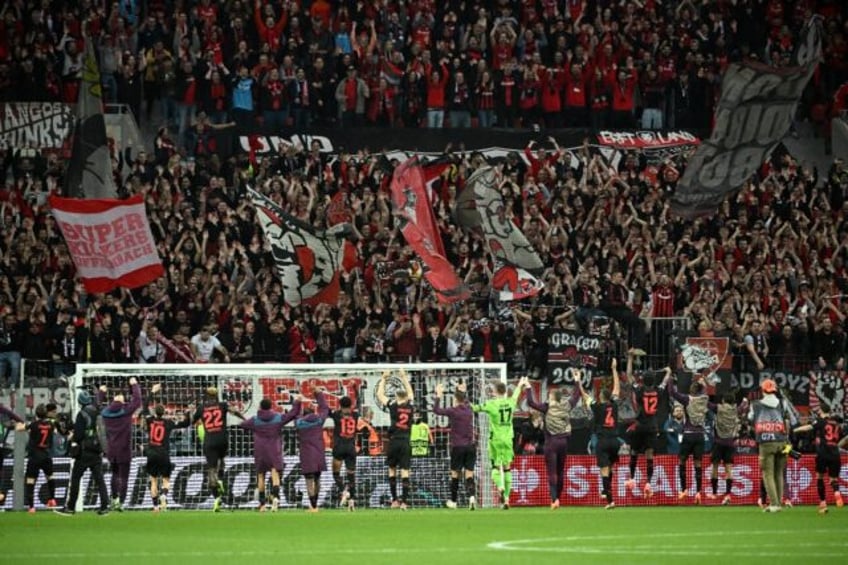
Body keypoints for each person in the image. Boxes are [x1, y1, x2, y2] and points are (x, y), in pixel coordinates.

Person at [526, 374, 582, 509]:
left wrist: (528, 387)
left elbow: (530, 403)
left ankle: (554, 499)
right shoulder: (566, 405)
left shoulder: (547, 407)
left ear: (552, 398)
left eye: (549, 395)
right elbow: (577, 396)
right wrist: (577, 380)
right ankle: (559, 498)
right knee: (561, 471)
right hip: (564, 442)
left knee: (552, 472)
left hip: (551, 443)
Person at [472, 376, 528, 510]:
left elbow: (475, 408)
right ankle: (507, 499)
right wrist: (520, 384)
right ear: (505, 392)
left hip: (495, 440)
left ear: (496, 392)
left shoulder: (491, 404)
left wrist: (464, 403)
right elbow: (516, 394)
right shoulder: (510, 402)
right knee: (507, 468)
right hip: (508, 440)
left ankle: (500, 486)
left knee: (495, 468)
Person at [239, 397, 301, 512]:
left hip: (260, 451)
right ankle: (276, 497)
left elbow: (242, 425)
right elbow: (292, 414)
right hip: (274, 450)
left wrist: (252, 427)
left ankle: (262, 505)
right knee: (275, 474)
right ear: (271, 406)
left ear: (260, 407)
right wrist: (297, 403)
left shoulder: (255, 420)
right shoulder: (278, 418)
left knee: (261, 476)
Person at [55, 390, 110, 516]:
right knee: (100, 480)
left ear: (80, 402)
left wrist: (72, 437)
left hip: (84, 452)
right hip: (96, 450)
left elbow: (79, 435)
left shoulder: (81, 414)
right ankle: (104, 506)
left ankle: (70, 507)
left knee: (75, 479)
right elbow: (101, 432)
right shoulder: (98, 413)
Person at [98, 377, 149, 511]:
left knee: (114, 474)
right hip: (124, 449)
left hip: (111, 449)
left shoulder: (105, 413)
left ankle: (114, 499)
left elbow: (97, 405)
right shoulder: (125, 411)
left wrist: (101, 393)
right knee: (124, 477)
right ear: (122, 401)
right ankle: (120, 502)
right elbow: (137, 400)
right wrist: (134, 385)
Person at [192, 387, 245, 512]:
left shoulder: (201, 408)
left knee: (211, 469)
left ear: (206, 396)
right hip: (222, 439)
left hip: (209, 440)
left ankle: (216, 496)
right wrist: (244, 418)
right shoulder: (222, 405)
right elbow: (235, 412)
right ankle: (221, 479)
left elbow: (192, 421)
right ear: (216, 396)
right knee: (221, 459)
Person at [577, 359, 621, 510]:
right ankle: (606, 490)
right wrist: (614, 369)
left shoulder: (597, 407)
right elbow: (617, 388)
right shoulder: (614, 404)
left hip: (603, 440)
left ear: (601, 397)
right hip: (615, 441)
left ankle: (609, 499)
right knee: (610, 468)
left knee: (604, 470)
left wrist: (578, 382)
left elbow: (584, 395)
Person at [748, 379, 794, 513]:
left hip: (765, 442)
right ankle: (778, 503)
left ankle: (774, 504)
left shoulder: (755, 404)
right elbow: (788, 420)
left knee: (767, 474)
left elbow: (750, 419)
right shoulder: (782, 403)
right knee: (779, 473)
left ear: (762, 390)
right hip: (781, 441)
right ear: (774, 390)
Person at [625, 364, 670, 499]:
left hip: (640, 426)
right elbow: (665, 382)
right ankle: (649, 484)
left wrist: (631, 359)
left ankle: (632, 479)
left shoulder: (639, 390)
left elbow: (628, 375)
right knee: (649, 455)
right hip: (652, 426)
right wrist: (667, 372)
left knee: (634, 452)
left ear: (643, 380)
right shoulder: (659, 391)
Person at [793, 408, 847, 514]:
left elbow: (809, 427)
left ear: (821, 411)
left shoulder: (820, 421)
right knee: (833, 479)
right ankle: (836, 491)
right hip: (835, 454)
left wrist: (796, 429)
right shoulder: (836, 424)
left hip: (823, 453)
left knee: (819, 477)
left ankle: (823, 503)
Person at [433, 381, 477, 510]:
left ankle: (453, 501)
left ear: (455, 400)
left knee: (455, 474)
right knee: (469, 474)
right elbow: (465, 400)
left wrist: (438, 395)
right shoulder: (469, 409)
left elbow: (436, 410)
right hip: (470, 446)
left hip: (458, 446)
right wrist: (462, 390)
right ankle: (471, 497)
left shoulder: (453, 411)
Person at [667, 373, 709, 504]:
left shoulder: (687, 399)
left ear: (691, 390)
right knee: (698, 464)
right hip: (700, 435)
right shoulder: (705, 399)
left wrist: (670, 379)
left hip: (688, 434)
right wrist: (703, 382)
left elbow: (672, 393)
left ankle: (684, 489)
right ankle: (698, 492)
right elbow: (704, 390)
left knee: (682, 461)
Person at [376, 368, 415, 509]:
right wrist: (404, 376)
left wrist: (384, 378)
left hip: (394, 441)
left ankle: (394, 500)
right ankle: (404, 502)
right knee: (405, 471)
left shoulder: (393, 406)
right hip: (405, 441)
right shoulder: (410, 406)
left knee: (392, 470)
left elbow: (380, 395)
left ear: (397, 396)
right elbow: (410, 392)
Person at [143, 402, 191, 512]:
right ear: (164, 413)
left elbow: (144, 409)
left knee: (153, 480)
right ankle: (164, 494)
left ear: (155, 412)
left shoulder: (150, 421)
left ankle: (155, 507)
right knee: (166, 479)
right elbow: (185, 424)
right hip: (163, 453)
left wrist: (151, 393)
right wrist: (187, 413)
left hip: (151, 453)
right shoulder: (168, 422)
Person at [707, 393, 748, 505]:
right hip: (730, 443)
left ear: (724, 400)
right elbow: (743, 406)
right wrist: (744, 399)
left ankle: (714, 493)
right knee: (728, 469)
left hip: (718, 442)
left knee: (715, 467)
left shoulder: (718, 408)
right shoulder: (736, 410)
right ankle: (728, 494)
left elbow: (707, 403)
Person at [17, 404, 57, 512]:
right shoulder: (51, 425)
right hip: (46, 455)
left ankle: (31, 507)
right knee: (50, 477)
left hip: (35, 456)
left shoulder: (33, 424)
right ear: (46, 413)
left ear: (36, 414)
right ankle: (52, 499)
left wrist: (19, 424)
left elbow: (19, 428)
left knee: (30, 480)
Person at [295, 388, 329, 512]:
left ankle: (313, 506)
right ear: (314, 411)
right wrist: (319, 394)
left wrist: (298, 403)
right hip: (319, 453)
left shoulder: (299, 423)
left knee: (309, 480)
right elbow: (325, 408)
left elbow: (296, 415)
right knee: (317, 478)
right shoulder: (319, 420)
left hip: (306, 454)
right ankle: (316, 505)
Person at [330, 396, 358, 511]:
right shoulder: (355, 415)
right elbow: (358, 401)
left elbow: (325, 409)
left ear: (340, 405)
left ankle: (343, 490)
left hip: (339, 447)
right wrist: (355, 388)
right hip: (351, 448)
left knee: (336, 473)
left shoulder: (337, 414)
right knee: (351, 476)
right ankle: (352, 501)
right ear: (350, 405)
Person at [0, 403, 24, 505]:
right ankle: (0, 491)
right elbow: (19, 420)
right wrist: (12, 424)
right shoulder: (3, 410)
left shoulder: (2, 410)